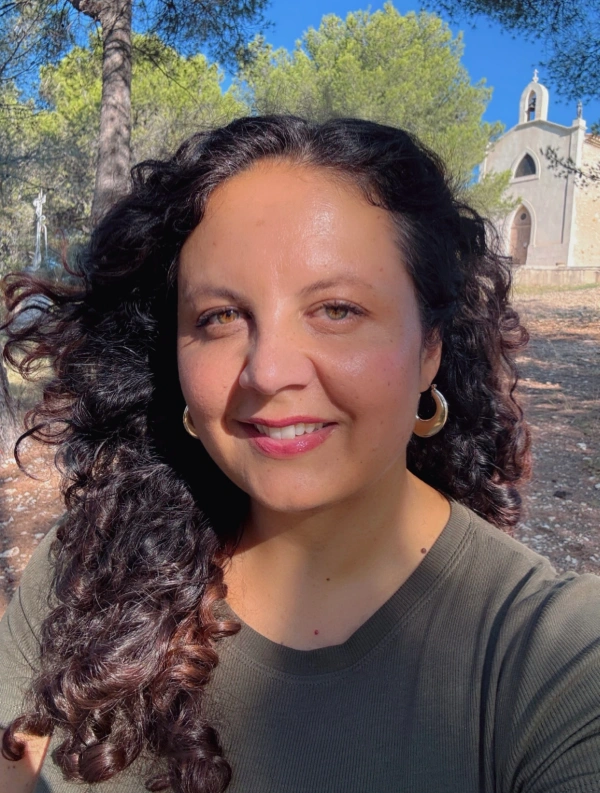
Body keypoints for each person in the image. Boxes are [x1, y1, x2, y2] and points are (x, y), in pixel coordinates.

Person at [1, 115, 599, 793]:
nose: (268, 371)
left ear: (430, 349)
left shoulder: (554, 661)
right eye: (219, 316)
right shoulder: (88, 566)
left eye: (337, 309)